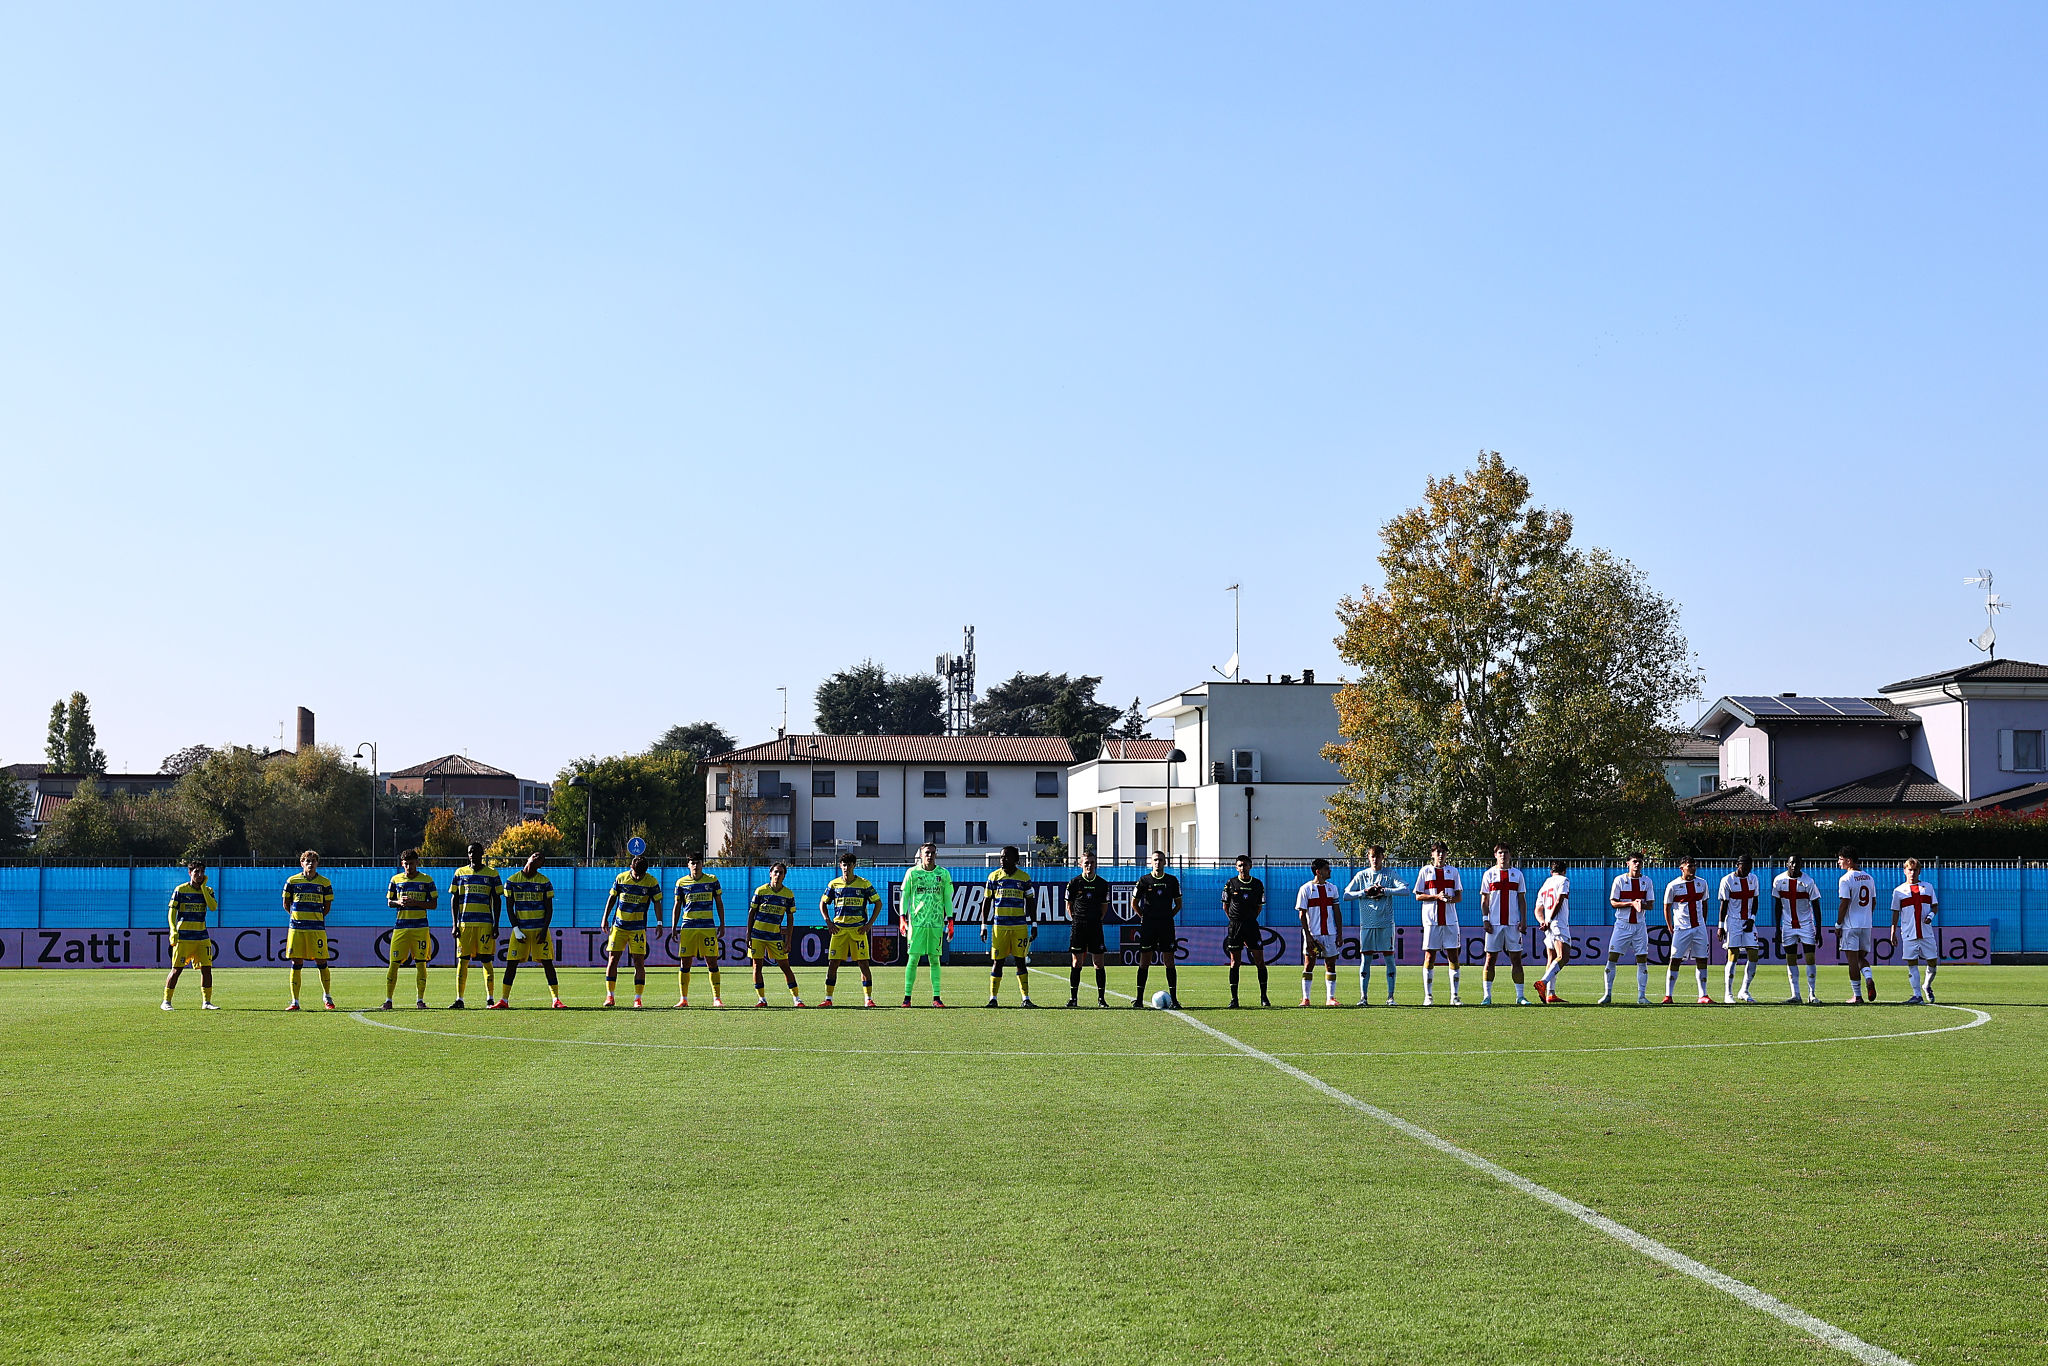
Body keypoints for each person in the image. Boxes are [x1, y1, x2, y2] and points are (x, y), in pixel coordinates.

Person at [501, 852, 564, 1009]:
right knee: (511, 964)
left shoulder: (544, 882)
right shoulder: (512, 881)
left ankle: (556, 1000)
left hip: (538, 931)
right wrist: (515, 928)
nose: (537, 858)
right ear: (529, 857)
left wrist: (544, 930)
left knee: (547, 963)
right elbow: (509, 907)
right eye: (535, 855)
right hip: (520, 930)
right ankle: (504, 1000)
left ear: (541, 865)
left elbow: (549, 909)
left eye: (541, 859)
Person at [1342, 847, 1404, 1006]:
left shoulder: (1389, 874)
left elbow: (1405, 890)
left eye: (1378, 856)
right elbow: (1346, 895)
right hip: (1367, 924)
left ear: (1383, 857)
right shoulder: (1362, 875)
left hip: (1386, 923)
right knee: (1366, 959)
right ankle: (1363, 997)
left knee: (1389, 958)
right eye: (1372, 856)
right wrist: (1364, 891)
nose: (1375, 859)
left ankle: (1390, 997)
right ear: (1368, 858)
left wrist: (1384, 891)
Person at [600, 853, 661, 1008]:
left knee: (639, 962)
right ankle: (610, 996)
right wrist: (605, 917)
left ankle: (638, 998)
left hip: (638, 928)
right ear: (631, 868)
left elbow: (657, 902)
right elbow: (612, 898)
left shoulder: (651, 882)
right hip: (619, 926)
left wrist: (659, 922)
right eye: (636, 873)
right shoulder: (621, 878)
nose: (638, 877)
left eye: (641, 875)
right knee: (613, 959)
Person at [820, 850, 880, 1008]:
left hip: (858, 930)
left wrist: (869, 924)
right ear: (840, 866)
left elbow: (878, 903)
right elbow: (823, 903)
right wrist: (828, 922)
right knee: (833, 964)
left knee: (863, 963)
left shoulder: (864, 884)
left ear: (854, 865)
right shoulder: (834, 884)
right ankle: (828, 999)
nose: (846, 867)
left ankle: (868, 999)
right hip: (839, 930)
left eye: (849, 864)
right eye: (844, 864)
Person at [448, 842, 503, 1010]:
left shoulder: (492, 874)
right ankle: (459, 999)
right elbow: (454, 899)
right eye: (470, 852)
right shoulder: (460, 873)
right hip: (464, 924)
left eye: (475, 852)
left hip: (485, 924)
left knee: (486, 961)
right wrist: (454, 924)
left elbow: (498, 900)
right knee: (462, 961)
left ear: (482, 853)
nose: (472, 855)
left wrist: (496, 924)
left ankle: (490, 999)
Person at [899, 843, 955, 1007]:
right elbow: (906, 896)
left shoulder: (943, 874)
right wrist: (903, 918)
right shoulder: (912, 873)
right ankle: (907, 998)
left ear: (936, 854)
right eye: (926, 853)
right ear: (921, 855)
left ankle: (936, 998)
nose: (929, 856)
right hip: (917, 923)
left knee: (935, 960)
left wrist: (950, 921)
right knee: (913, 958)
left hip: (936, 923)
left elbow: (947, 899)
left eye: (932, 853)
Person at [982, 846, 1037, 1008]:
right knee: (997, 961)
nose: (1002, 860)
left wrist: (1034, 924)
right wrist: (984, 925)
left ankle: (1026, 999)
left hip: (1019, 927)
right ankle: (993, 998)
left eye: (1006, 857)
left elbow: (1031, 902)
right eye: (1001, 857)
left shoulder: (1024, 878)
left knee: (1020, 961)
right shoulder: (994, 877)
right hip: (999, 927)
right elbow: (986, 902)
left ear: (1015, 859)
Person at [382, 848, 437, 1011]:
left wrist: (415, 903)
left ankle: (420, 1000)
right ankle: (388, 1000)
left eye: (411, 864)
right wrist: (398, 903)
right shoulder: (395, 879)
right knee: (394, 963)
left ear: (417, 863)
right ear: (402, 864)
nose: (409, 867)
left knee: (421, 963)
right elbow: (389, 902)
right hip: (401, 928)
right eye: (406, 864)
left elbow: (433, 904)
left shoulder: (427, 880)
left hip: (420, 928)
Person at [161, 859, 219, 1010]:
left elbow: (213, 907)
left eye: (202, 872)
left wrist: (204, 887)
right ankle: (166, 1002)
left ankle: (206, 1002)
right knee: (176, 969)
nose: (199, 875)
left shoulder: (208, 890)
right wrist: (173, 930)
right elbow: (172, 912)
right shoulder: (180, 890)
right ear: (189, 873)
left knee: (207, 969)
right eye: (196, 872)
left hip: (202, 937)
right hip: (184, 938)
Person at [282, 850, 336, 1011]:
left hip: (316, 929)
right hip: (297, 929)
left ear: (317, 863)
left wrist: (315, 918)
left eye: (313, 861)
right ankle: (295, 1001)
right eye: (307, 860)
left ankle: (327, 996)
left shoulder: (324, 883)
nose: (310, 863)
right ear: (302, 863)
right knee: (296, 962)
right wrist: (297, 917)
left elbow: (327, 907)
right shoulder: (292, 881)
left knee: (321, 962)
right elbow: (286, 903)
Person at [1478, 845, 1530, 1006]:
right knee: (1490, 959)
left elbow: (1522, 900)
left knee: (1516, 959)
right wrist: (1485, 919)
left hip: (1513, 924)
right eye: (1500, 853)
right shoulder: (1489, 874)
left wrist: (1524, 920)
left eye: (1506, 852)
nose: (1503, 855)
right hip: (1494, 924)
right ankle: (1487, 997)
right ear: (1495, 855)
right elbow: (1484, 900)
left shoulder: (1517, 875)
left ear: (1510, 855)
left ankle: (1520, 996)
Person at [672, 854, 726, 1008]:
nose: (695, 866)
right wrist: (674, 926)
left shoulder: (712, 880)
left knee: (712, 961)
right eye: (692, 863)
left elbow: (719, 903)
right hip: (688, 926)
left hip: (707, 926)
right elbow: (677, 906)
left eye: (698, 863)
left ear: (702, 864)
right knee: (685, 962)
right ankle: (683, 998)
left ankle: (717, 998)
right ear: (688, 865)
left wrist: (722, 924)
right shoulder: (681, 883)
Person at [747, 861, 804, 1007]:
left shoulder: (788, 894)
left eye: (781, 872)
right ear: (770, 873)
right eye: (776, 872)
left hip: (775, 936)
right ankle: (761, 1000)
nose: (778, 875)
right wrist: (748, 934)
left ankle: (797, 999)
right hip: (757, 935)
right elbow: (751, 913)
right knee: (757, 966)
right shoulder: (760, 891)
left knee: (785, 966)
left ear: (784, 876)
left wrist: (788, 940)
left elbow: (790, 918)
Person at [1413, 841, 1463, 1006]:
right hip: (1431, 921)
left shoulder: (1453, 872)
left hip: (1450, 920)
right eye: (1438, 852)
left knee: (1453, 955)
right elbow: (1418, 895)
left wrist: (1449, 899)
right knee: (1430, 955)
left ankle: (1454, 996)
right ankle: (1428, 997)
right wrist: (1436, 897)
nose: (1441, 855)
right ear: (1432, 854)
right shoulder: (1425, 871)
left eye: (1443, 852)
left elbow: (1458, 897)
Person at [1130, 849, 1182, 1008]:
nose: (1158, 862)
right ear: (1150, 862)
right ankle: (1139, 1000)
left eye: (1160, 860)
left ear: (1165, 862)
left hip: (1166, 925)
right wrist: (1144, 918)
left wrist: (1167, 917)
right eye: (1155, 860)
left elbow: (1178, 905)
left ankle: (1174, 1000)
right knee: (1144, 962)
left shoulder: (1172, 881)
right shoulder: (1144, 881)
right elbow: (1134, 903)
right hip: (1149, 926)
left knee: (1169, 962)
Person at [1602, 852, 1654, 1006]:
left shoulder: (1647, 881)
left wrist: (1641, 904)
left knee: (1642, 960)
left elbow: (1650, 905)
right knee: (1612, 958)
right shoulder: (1620, 880)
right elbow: (1613, 902)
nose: (1637, 864)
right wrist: (1631, 903)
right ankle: (1607, 994)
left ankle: (1642, 996)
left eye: (1640, 862)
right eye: (1635, 862)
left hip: (1639, 926)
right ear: (1628, 863)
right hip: (1622, 925)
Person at [1661, 856, 1715, 1005]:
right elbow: (1667, 906)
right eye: (1689, 866)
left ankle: (1703, 995)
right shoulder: (1673, 886)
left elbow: (1704, 903)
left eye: (1694, 866)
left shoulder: (1702, 883)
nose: (1692, 868)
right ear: (1682, 868)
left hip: (1699, 928)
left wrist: (1703, 922)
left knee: (1702, 959)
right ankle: (1668, 995)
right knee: (1675, 960)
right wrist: (1670, 926)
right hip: (1681, 928)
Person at [1222, 854, 1272, 1008]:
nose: (1243, 868)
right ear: (1236, 867)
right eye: (1240, 865)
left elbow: (1259, 907)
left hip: (1251, 926)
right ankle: (1234, 999)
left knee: (1260, 961)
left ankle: (1264, 997)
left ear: (1250, 866)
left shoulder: (1257, 884)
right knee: (1235, 962)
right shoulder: (1230, 884)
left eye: (1245, 865)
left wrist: (1249, 919)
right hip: (1235, 927)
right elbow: (1225, 906)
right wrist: (1235, 920)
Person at [1773, 855, 1823, 1005]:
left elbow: (1816, 906)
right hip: (1788, 926)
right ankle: (1795, 995)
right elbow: (1777, 906)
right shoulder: (1778, 881)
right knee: (1790, 959)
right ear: (1787, 864)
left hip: (1806, 925)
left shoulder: (1808, 882)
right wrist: (1777, 927)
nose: (1794, 865)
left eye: (1797, 863)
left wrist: (1818, 929)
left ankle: (1812, 995)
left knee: (1810, 958)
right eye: (1792, 862)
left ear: (1801, 865)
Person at [1066, 850, 1113, 1008]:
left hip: (1095, 927)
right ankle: (1073, 999)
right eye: (1086, 863)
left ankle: (1101, 999)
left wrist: (1094, 920)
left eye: (1092, 863)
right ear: (1080, 864)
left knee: (1098, 963)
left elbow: (1104, 909)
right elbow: (1069, 907)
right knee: (1076, 962)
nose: (1089, 866)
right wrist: (1078, 919)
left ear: (1096, 864)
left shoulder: (1102, 884)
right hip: (1078, 926)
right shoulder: (1074, 883)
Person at [1890, 857, 1940, 1005]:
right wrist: (1893, 931)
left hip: (1926, 932)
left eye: (1915, 870)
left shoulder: (1928, 887)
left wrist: (1930, 916)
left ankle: (1926, 985)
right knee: (1912, 963)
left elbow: (1935, 906)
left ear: (1919, 871)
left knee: (1932, 962)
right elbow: (1895, 912)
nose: (1912, 873)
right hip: (1908, 932)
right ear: (1905, 871)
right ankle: (1917, 995)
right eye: (1909, 870)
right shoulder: (1899, 891)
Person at [1295, 858, 1344, 1007]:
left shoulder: (1333, 888)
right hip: (1313, 934)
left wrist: (1339, 933)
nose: (1330, 871)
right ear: (1318, 871)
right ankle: (1306, 998)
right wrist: (1308, 936)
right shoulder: (1306, 889)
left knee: (1331, 964)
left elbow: (1337, 912)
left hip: (1329, 933)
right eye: (1327, 869)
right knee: (1309, 963)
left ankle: (1330, 998)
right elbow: (1302, 914)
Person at [1835, 848, 1878, 1005]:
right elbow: (1873, 902)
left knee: (1852, 961)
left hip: (1851, 925)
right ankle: (1868, 978)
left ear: (1849, 860)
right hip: (1866, 925)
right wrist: (1866, 916)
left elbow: (1844, 903)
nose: (1839, 862)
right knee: (1861, 958)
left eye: (1840, 859)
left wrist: (1838, 924)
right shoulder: (1869, 877)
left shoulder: (1846, 879)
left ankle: (1857, 996)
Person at [1718, 856, 1763, 1004]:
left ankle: (1744, 990)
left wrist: (1752, 919)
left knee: (1754, 955)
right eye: (1744, 865)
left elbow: (1755, 900)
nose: (1747, 868)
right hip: (1733, 921)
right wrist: (1720, 926)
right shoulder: (1727, 880)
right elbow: (1723, 905)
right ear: (1737, 865)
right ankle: (1728, 994)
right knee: (1733, 955)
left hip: (1749, 921)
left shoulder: (1754, 879)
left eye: (1750, 866)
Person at [1533, 860, 1572, 1003]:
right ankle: (1543, 983)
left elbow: (1537, 909)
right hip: (1557, 923)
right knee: (1563, 956)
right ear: (1564, 871)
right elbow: (1559, 900)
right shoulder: (1564, 880)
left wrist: (1542, 921)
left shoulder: (1545, 884)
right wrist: (1549, 920)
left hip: (1548, 925)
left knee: (1552, 957)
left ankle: (1550, 994)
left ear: (1551, 871)